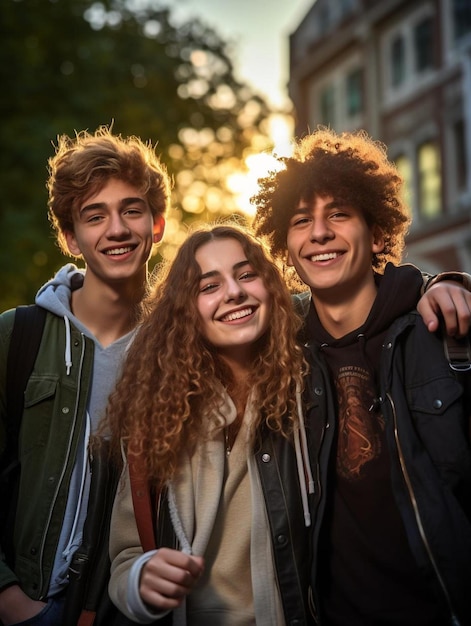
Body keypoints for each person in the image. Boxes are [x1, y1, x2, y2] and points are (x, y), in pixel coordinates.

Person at [252, 127, 471, 626]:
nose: (319, 233)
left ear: (377, 234)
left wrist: (449, 285)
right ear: (287, 248)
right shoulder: (283, 357)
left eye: (339, 214)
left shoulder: (442, 335)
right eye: (301, 221)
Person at [0, 126, 170, 625]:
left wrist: (413, 286)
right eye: (95, 216)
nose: (116, 229)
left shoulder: (180, 343)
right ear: (72, 238)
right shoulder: (17, 337)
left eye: (131, 210)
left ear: (156, 225)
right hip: (30, 604)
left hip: (131, 608)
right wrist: (9, 599)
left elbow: (283, 308)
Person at [105, 224, 315, 625]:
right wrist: (140, 579)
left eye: (246, 274)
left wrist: (437, 284)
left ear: (270, 288)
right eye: (208, 286)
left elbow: (362, 302)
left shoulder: (310, 387)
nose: (234, 292)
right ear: (186, 311)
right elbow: (125, 554)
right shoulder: (158, 418)